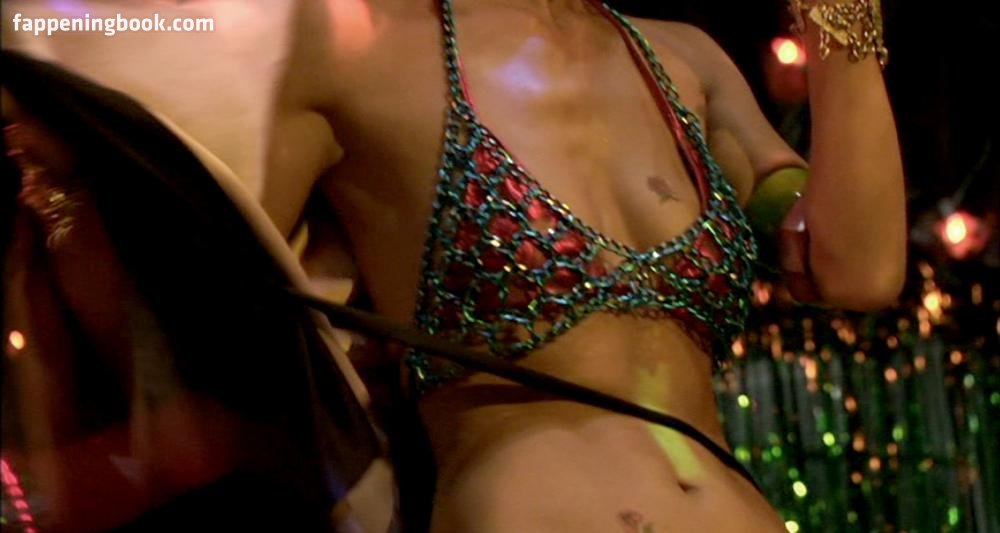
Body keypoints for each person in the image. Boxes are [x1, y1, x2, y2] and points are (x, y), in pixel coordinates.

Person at [262, 0, 906, 531]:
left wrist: (839, 17)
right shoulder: (351, 49)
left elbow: (860, 271)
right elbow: (222, 315)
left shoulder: (685, 60)